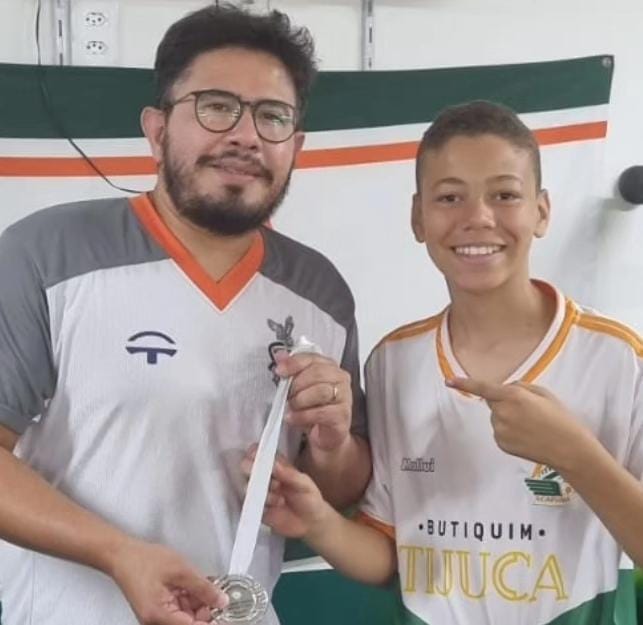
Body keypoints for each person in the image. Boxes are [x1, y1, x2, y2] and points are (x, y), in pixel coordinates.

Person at [0, 4, 371, 625]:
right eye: (216, 106)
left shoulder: (320, 291)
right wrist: (118, 554)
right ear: (156, 130)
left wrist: (333, 445)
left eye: (272, 116)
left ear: (296, 145)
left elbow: (331, 494)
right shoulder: (46, 254)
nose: (246, 135)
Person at [254, 101, 643, 624]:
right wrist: (318, 521)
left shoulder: (618, 357)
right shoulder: (392, 363)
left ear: (542, 211)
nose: (477, 217)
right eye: (450, 197)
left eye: (505, 194)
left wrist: (576, 456)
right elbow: (390, 556)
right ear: (419, 217)